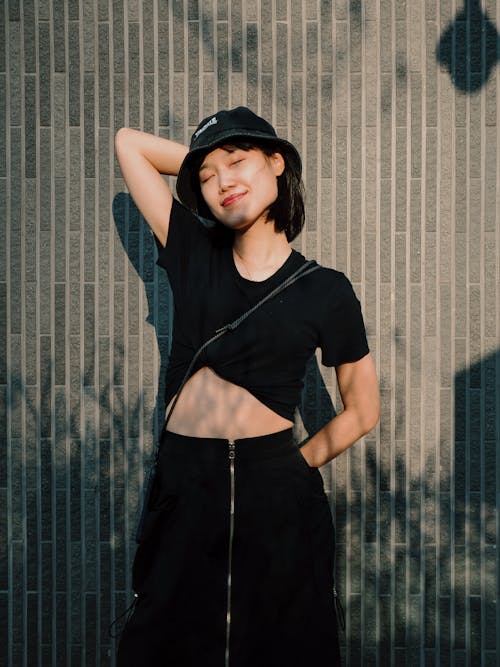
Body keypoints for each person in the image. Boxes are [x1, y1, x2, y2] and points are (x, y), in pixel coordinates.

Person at [114, 106, 380, 666]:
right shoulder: (191, 251)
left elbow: (362, 409)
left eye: (237, 162)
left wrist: (293, 467)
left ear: (277, 163)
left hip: (276, 486)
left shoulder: (326, 291)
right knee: (168, 639)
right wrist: (208, 166)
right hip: (186, 481)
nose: (221, 183)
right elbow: (129, 145)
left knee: (283, 640)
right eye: (205, 178)